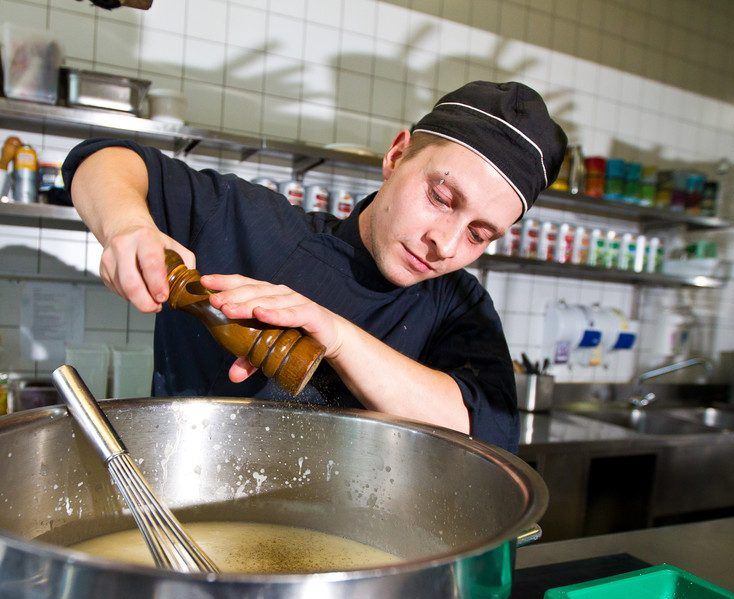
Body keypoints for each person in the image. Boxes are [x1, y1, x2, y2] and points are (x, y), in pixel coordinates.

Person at [62, 81, 567, 453]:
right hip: (184, 520)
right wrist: (128, 226)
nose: (445, 245)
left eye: (480, 235)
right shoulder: (250, 223)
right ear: (396, 156)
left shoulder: (457, 305)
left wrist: (337, 336)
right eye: (440, 197)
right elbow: (103, 159)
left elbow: (486, 433)